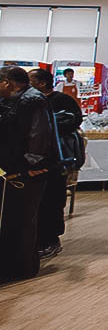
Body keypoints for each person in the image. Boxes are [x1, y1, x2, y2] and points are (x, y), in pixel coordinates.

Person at [0, 66, 57, 280]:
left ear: (7, 82)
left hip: (27, 171)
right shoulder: (17, 99)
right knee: (14, 219)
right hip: (15, 167)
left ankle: (20, 269)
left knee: (21, 219)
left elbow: (39, 135)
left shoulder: (31, 100)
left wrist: (32, 165)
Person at [28, 68, 82, 260]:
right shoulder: (28, 100)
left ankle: (50, 240)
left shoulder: (61, 100)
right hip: (34, 160)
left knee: (51, 200)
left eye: (31, 80)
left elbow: (75, 121)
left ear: (42, 83)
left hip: (55, 159)